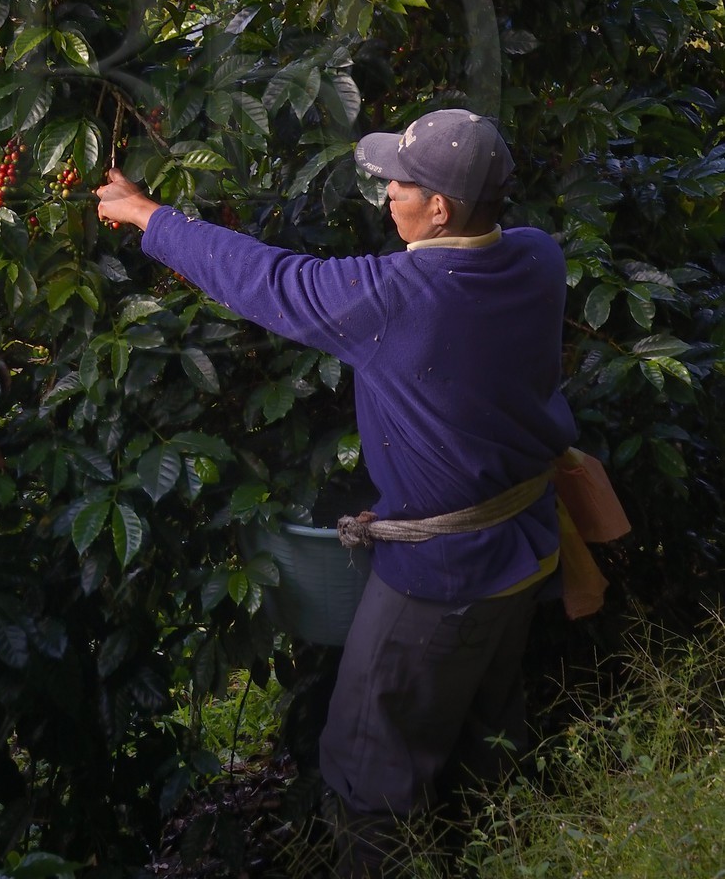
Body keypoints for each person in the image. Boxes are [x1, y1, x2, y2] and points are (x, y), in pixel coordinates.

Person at [94, 108, 578, 877]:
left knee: (366, 768)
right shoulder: (537, 258)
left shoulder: (396, 299)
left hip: (441, 579)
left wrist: (150, 216)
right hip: (524, 551)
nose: (387, 192)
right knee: (486, 732)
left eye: (401, 183)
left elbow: (265, 279)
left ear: (440, 209)